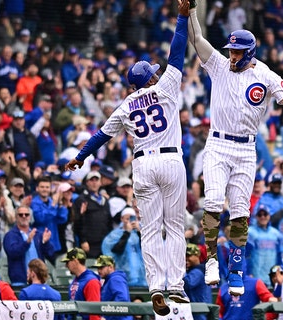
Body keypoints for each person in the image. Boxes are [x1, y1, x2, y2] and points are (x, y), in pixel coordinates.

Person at [65, 0, 192, 315]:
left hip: (142, 164)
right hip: (170, 160)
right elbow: (177, 52)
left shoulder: (124, 105)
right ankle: (175, 287)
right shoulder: (164, 88)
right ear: (150, 79)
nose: (156, 74)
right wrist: (181, 17)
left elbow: (100, 137)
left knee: (148, 228)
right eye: (153, 73)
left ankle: (154, 289)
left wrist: (80, 158)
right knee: (174, 226)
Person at [186, 0, 283, 296]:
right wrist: (192, 12)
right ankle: (209, 260)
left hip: (246, 149)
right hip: (218, 143)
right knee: (212, 203)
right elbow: (197, 40)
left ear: (250, 53)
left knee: (240, 214)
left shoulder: (266, 75)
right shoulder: (219, 65)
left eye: (236, 51)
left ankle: (236, 269)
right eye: (230, 50)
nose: (231, 55)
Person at [3, 205, 54, 286]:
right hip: (19, 281)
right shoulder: (10, 235)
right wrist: (27, 242)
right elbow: (12, 252)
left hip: (39, 281)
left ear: (30, 217)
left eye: (26, 214)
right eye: (21, 215)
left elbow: (51, 254)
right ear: (16, 217)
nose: (24, 216)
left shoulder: (38, 234)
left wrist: (45, 242)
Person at [62, 248, 101, 320]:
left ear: (75, 261)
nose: (66, 266)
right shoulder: (76, 279)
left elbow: (94, 312)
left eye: (67, 262)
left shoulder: (91, 281)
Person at [95, 255, 132, 320]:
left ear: (110, 267)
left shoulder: (115, 279)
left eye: (101, 268)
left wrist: (106, 317)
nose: (99, 270)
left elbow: (122, 300)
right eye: (98, 268)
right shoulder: (109, 280)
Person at [184, 244, 212, 320]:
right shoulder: (194, 270)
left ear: (197, 255)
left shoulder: (198, 271)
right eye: (184, 256)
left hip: (199, 312)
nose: (186, 258)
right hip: (197, 311)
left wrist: (180, 271)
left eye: (189, 255)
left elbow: (187, 283)